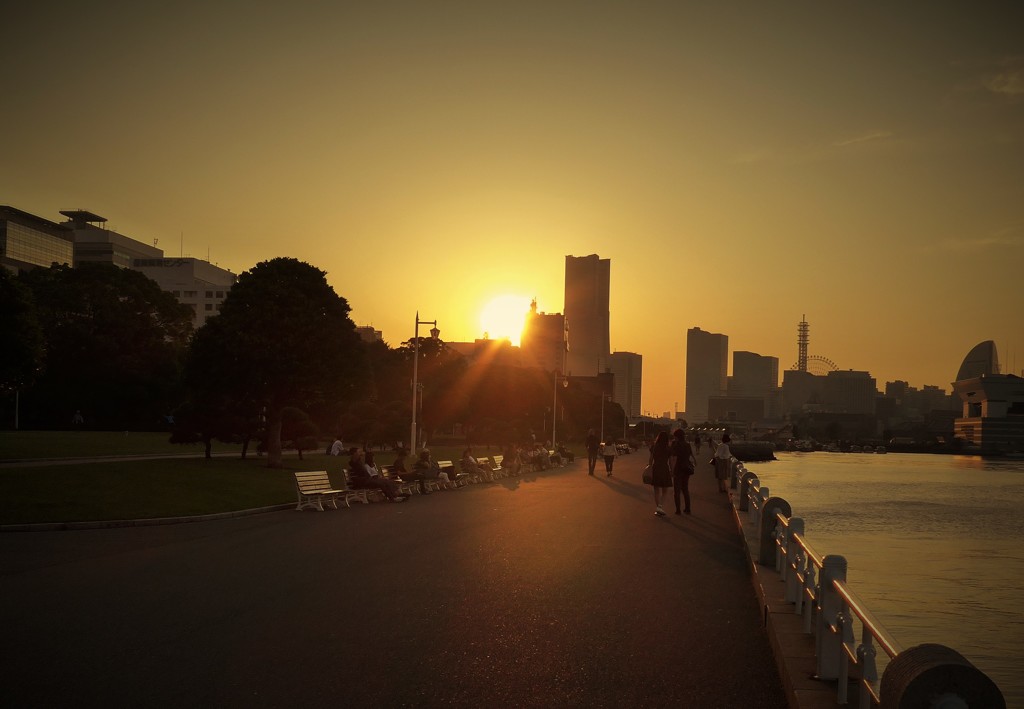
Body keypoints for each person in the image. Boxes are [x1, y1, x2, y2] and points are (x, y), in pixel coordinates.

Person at [648, 431, 673, 516]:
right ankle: (660, 506)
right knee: (665, 490)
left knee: (656, 490)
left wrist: (649, 467)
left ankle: (658, 507)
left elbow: (650, 459)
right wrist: (672, 471)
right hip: (665, 468)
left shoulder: (654, 447)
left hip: (656, 468)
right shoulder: (668, 448)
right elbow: (670, 462)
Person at [671, 429, 695, 515]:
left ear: (676, 436)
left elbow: (674, 458)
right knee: (685, 489)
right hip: (686, 468)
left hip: (678, 468)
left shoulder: (676, 445)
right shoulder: (687, 444)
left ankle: (678, 510)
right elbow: (691, 455)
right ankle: (687, 509)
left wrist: (672, 470)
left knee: (676, 491)